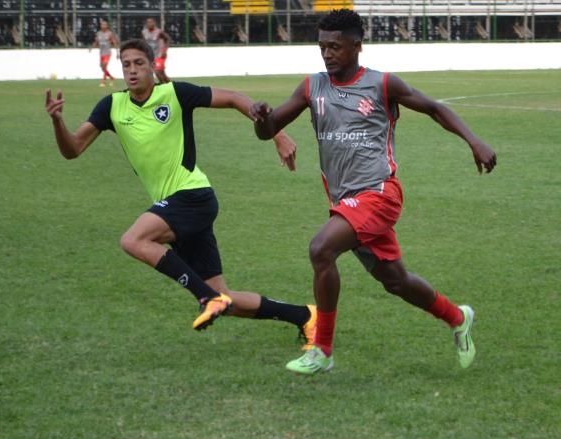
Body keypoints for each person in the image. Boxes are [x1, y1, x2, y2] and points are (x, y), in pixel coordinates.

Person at [250, 9, 497, 375]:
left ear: (357, 46)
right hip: (345, 202)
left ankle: (322, 350)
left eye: (336, 46)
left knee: (321, 249)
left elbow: (433, 108)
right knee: (396, 281)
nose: (328, 53)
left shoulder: (382, 84)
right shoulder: (311, 87)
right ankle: (458, 317)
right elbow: (268, 130)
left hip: (379, 194)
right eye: (322, 47)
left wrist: (474, 141)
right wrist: (261, 118)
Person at [46, 39, 318, 348]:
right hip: (177, 206)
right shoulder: (111, 106)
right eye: (126, 65)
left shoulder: (174, 94)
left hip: (192, 195)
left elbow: (233, 98)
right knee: (226, 298)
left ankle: (205, 297)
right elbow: (73, 149)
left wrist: (277, 134)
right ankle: (305, 315)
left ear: (153, 66)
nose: (132, 71)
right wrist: (57, 122)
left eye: (139, 63)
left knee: (133, 240)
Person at [142, 18, 171, 84]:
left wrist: (165, 50)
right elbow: (144, 43)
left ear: (154, 23)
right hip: (151, 56)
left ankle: (164, 87)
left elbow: (168, 39)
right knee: (163, 75)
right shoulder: (144, 32)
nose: (150, 24)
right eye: (148, 22)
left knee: (157, 71)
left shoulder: (159, 32)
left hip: (160, 55)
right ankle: (172, 86)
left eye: (151, 22)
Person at [90, 19, 119, 87]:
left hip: (107, 53)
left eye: (104, 24)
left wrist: (117, 52)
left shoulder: (109, 33)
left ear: (107, 26)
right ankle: (111, 78)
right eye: (102, 24)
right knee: (103, 68)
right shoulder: (98, 33)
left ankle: (103, 81)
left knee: (105, 65)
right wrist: (91, 48)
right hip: (101, 53)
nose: (103, 26)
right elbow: (96, 42)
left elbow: (114, 43)